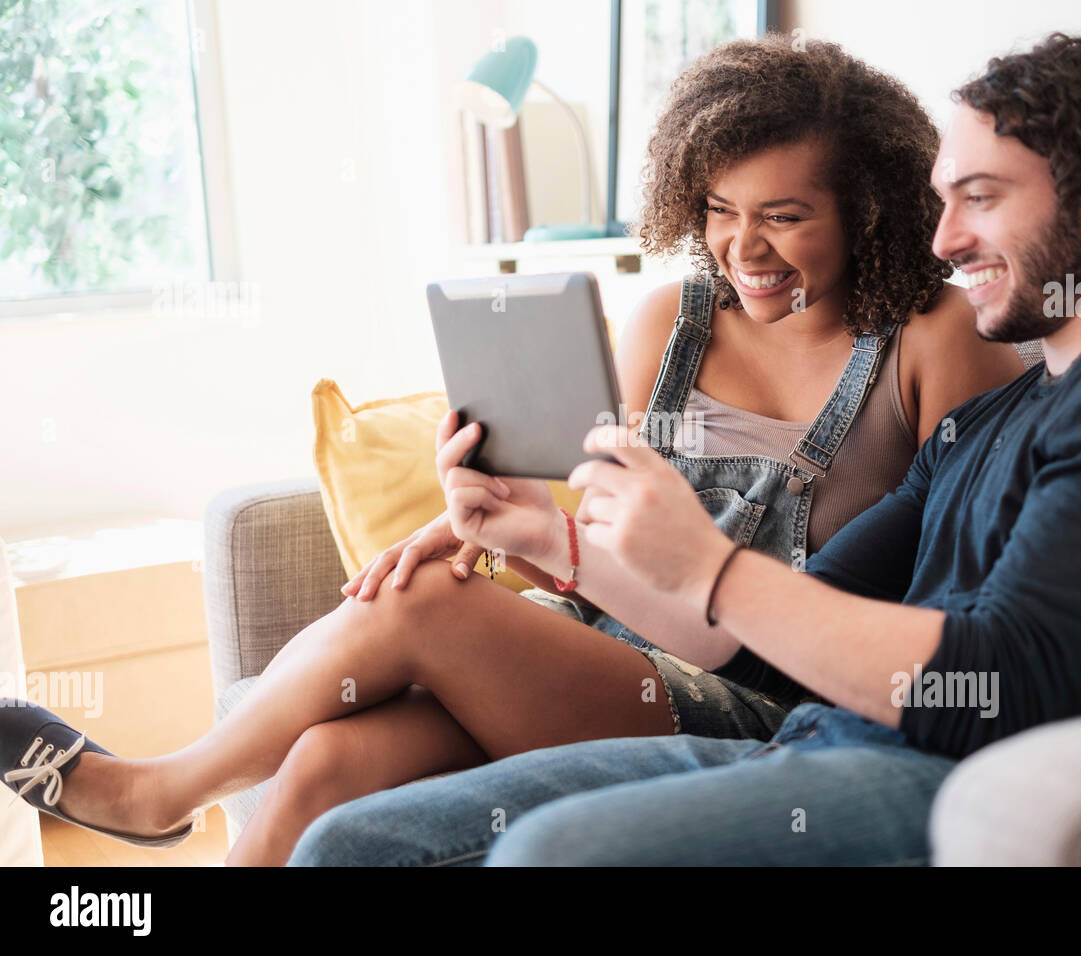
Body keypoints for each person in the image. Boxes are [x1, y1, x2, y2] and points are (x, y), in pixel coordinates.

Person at [0, 37, 1021, 866]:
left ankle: (155, 790)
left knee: (422, 599)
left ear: (870, 207)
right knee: (321, 766)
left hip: (769, 700)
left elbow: (945, 601)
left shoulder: (932, 342)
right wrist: (489, 523)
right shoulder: (667, 315)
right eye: (718, 212)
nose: (742, 249)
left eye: (784, 218)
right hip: (605, 640)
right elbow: (600, 538)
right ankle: (165, 796)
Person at [283, 32, 1081, 866]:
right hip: (808, 739)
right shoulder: (997, 413)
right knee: (353, 839)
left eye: (979, 197)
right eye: (940, 201)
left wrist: (715, 561)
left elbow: (1008, 681)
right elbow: (747, 644)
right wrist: (555, 540)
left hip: (939, 778)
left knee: (549, 854)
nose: (941, 240)